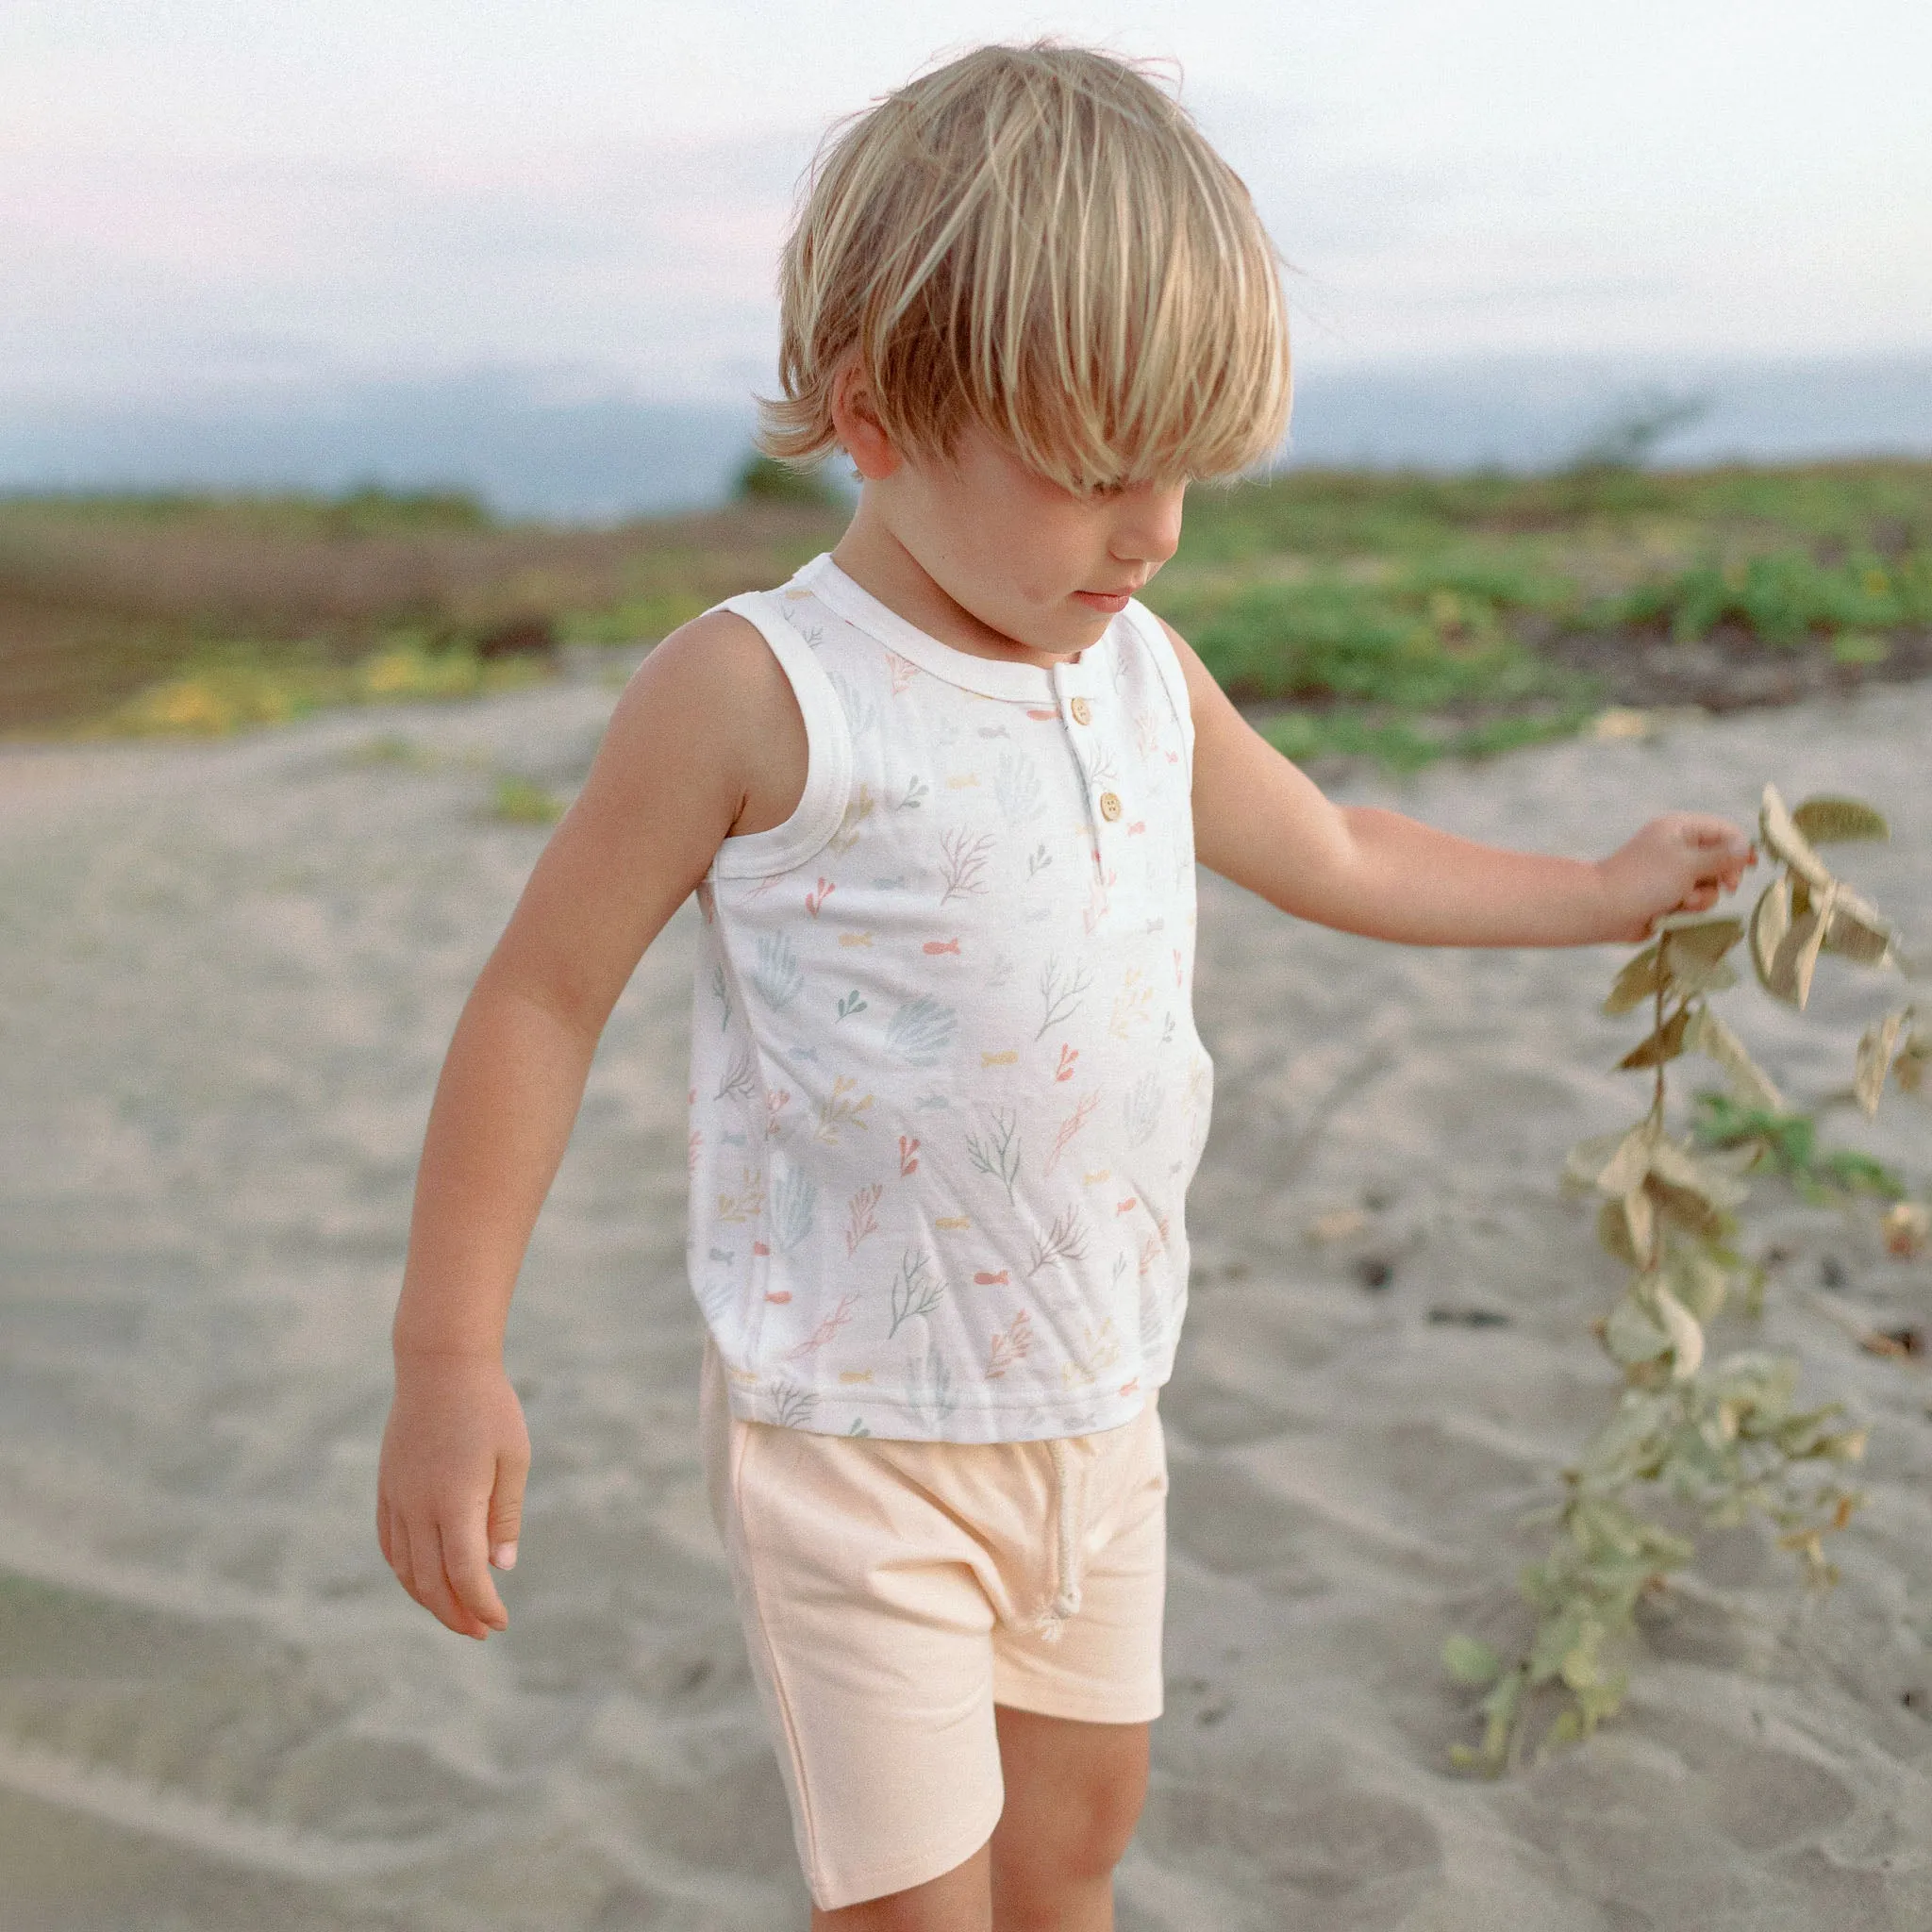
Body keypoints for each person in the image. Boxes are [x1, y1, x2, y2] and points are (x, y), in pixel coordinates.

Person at [376, 42, 1753, 1930]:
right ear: (875, 410)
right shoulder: (757, 689)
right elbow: (539, 996)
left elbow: (1337, 850)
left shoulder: (1135, 667)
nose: (1155, 527)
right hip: (853, 1432)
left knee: (1076, 1850)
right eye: (1098, 471)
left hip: (1102, 1396)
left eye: (1188, 469)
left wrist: (1591, 896)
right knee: (916, 1906)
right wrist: (447, 1357)